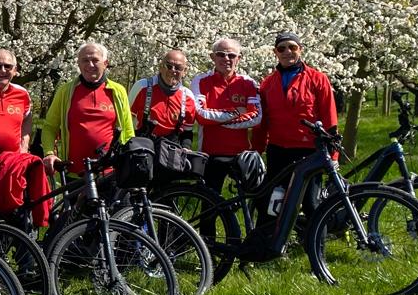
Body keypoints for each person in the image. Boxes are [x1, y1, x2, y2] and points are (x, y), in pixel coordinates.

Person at [41, 41, 135, 178]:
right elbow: (50, 127)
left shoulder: (118, 91)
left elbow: (128, 130)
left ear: (105, 63)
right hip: (74, 172)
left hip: (110, 172)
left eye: (95, 60)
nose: (90, 65)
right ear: (78, 64)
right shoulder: (65, 91)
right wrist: (49, 153)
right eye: (85, 60)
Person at [254, 31, 338, 183]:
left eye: (292, 47)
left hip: (309, 149)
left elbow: (329, 116)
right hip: (277, 150)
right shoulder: (267, 83)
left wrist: (333, 154)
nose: (287, 52)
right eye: (281, 49)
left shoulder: (318, 79)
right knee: (275, 196)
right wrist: (256, 151)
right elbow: (262, 121)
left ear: (300, 49)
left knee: (309, 197)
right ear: (275, 53)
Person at [190, 37, 263, 196]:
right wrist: (237, 112)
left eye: (231, 55)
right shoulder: (200, 81)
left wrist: (218, 120)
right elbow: (201, 115)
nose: (226, 59)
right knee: (209, 204)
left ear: (239, 58)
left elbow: (256, 117)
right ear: (212, 57)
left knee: (247, 201)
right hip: (210, 154)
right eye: (221, 54)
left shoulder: (249, 83)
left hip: (241, 155)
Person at [128, 49, 198, 141]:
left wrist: (186, 147)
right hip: (142, 143)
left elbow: (187, 132)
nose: (173, 71)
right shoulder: (142, 87)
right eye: (168, 66)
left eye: (178, 68)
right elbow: (126, 120)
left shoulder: (188, 97)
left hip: (170, 146)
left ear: (185, 71)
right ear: (160, 67)